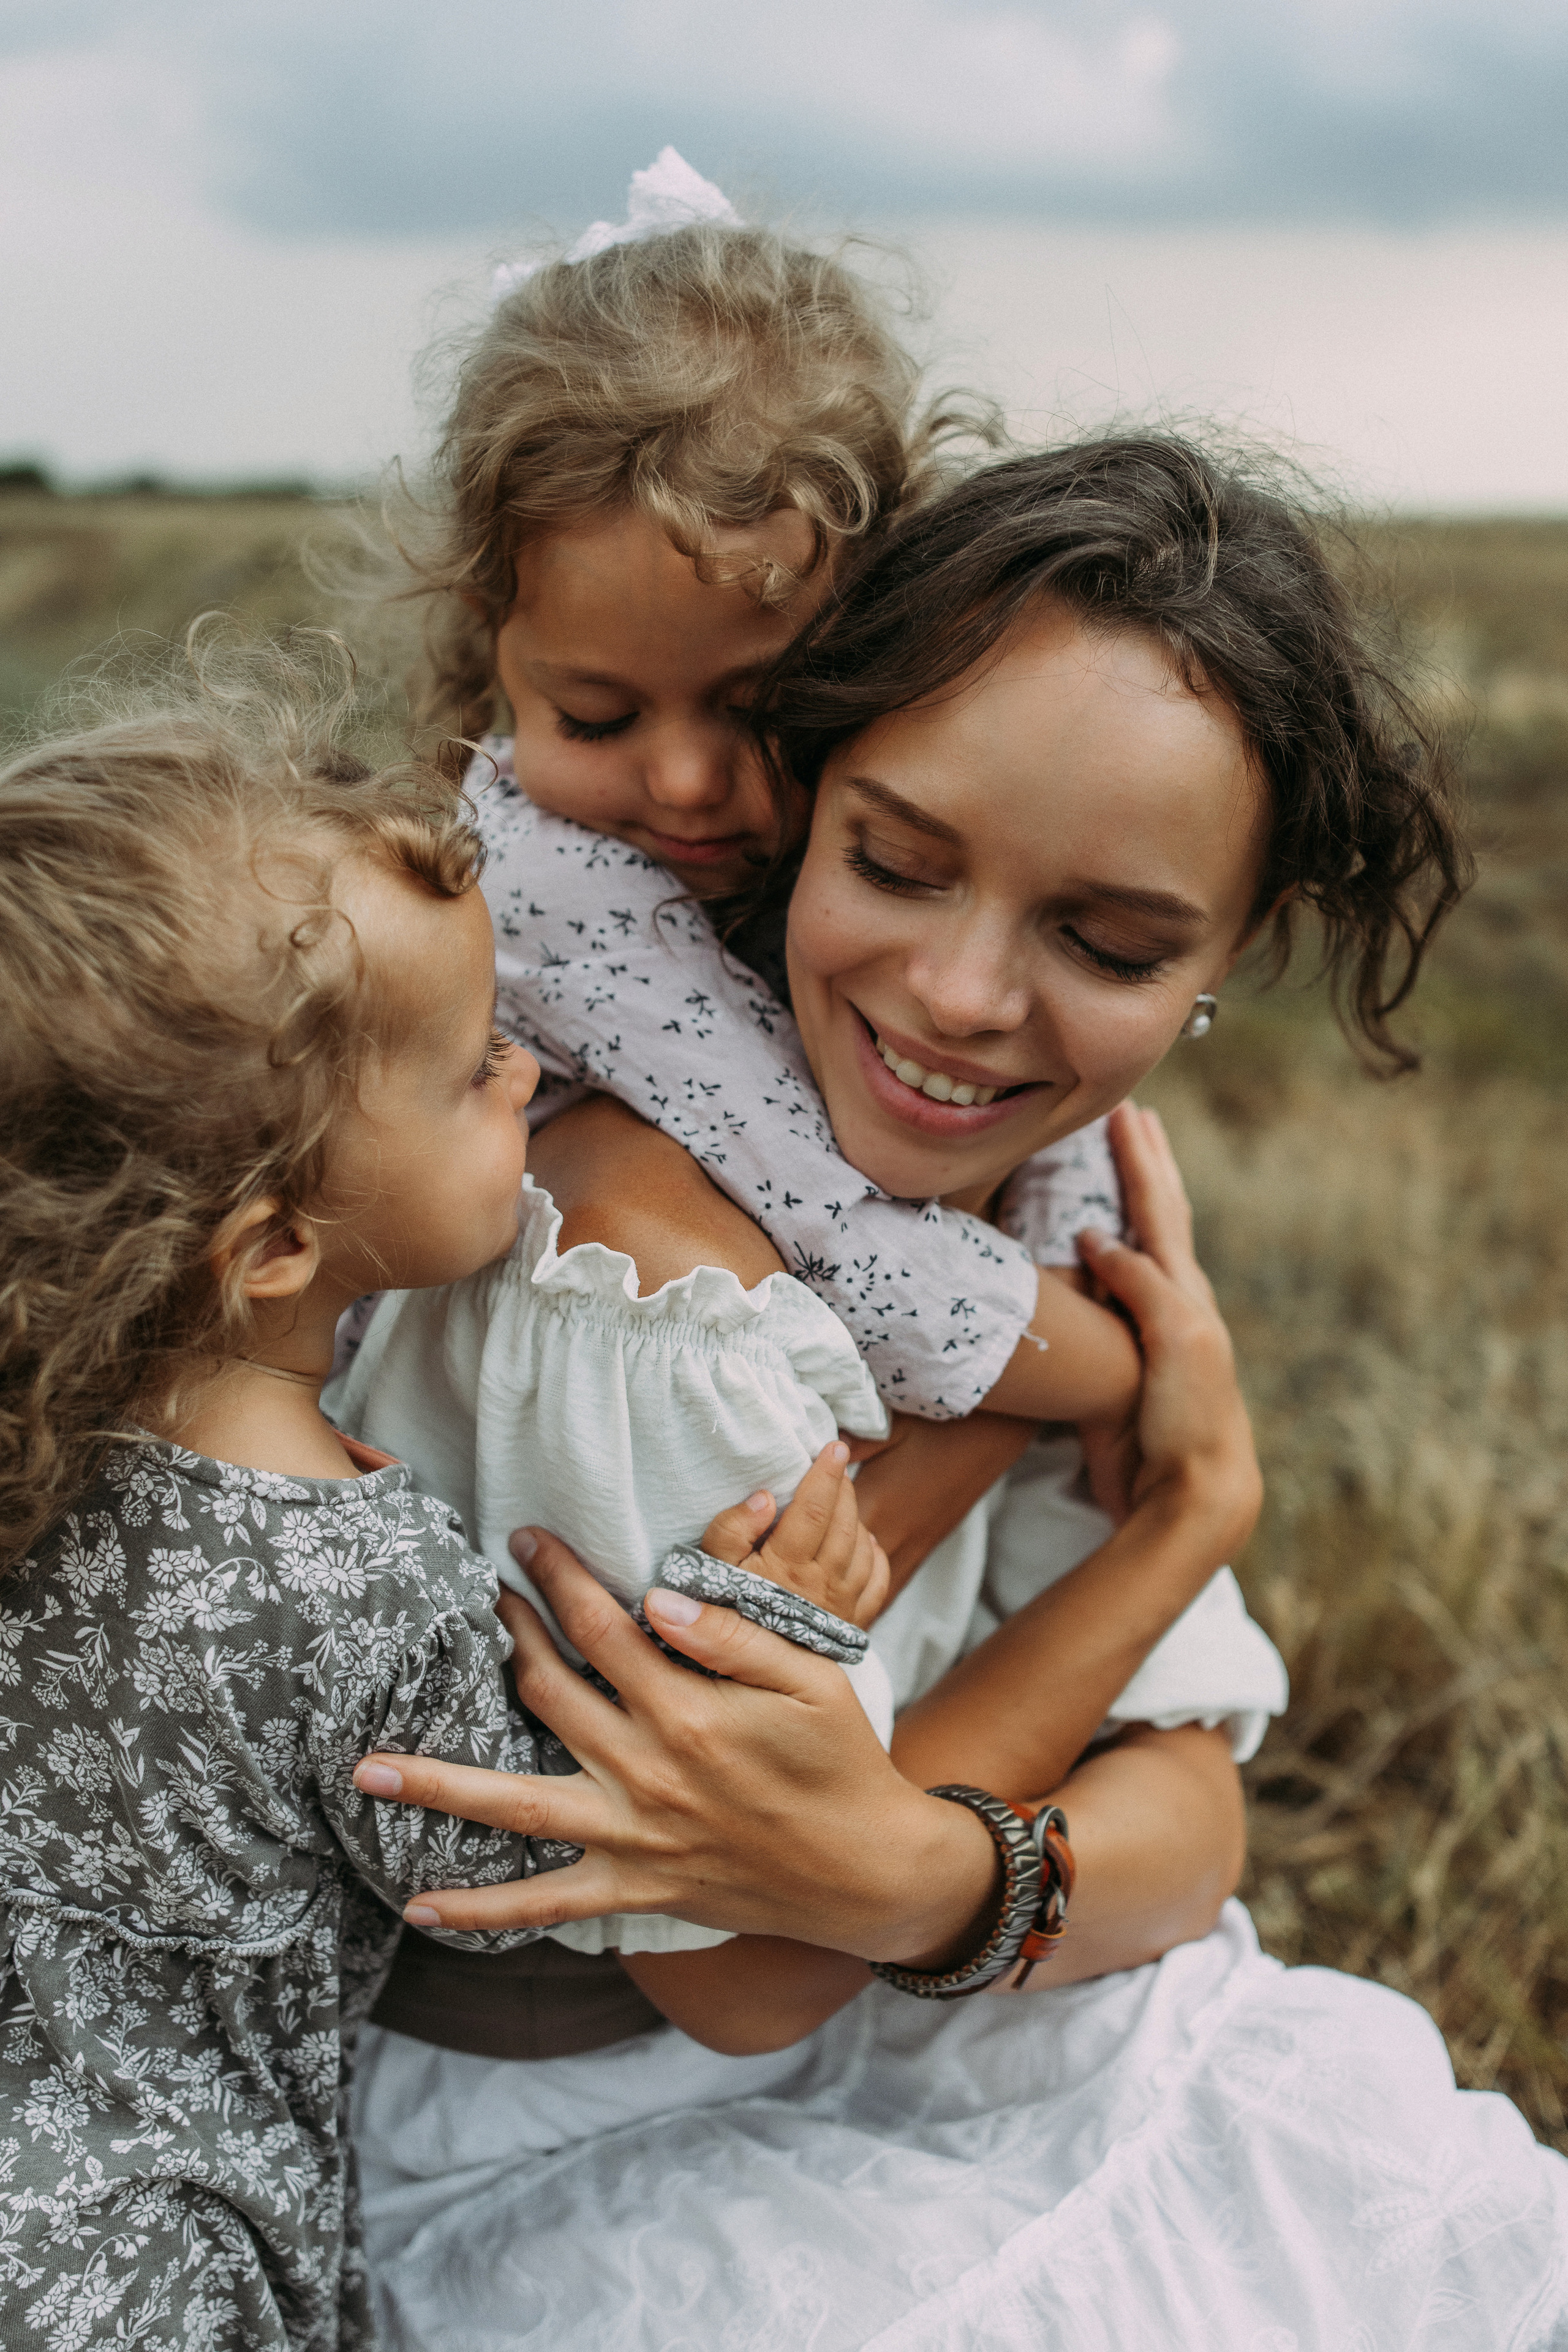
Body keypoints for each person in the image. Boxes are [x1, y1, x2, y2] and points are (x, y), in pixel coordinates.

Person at [337, 442, 1568, 2348]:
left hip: (945, 2028)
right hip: (583, 2134)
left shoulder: (1060, 1196)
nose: (966, 998)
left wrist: (926, 1865)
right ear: (792, 804)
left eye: (1112, 942)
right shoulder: (637, 1267)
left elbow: (1188, 1811)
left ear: (1230, 956)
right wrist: (1167, 1519)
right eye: (898, 866)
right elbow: (744, 1972)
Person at [0, 636, 867, 2352]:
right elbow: (548, 1846)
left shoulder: (41, 1444)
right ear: (275, 1250)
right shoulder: (359, 1574)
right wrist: (772, 1612)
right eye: (471, 1068)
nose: (526, 1076)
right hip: (151, 2249)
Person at [367, 148, 1134, 1438]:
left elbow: (1063, 1137)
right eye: (593, 716)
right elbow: (838, 1231)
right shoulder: (543, 886)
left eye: (759, 707)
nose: (678, 782)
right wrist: (1134, 1369)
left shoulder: (874, 847)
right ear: (488, 640)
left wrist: (1081, 1248)